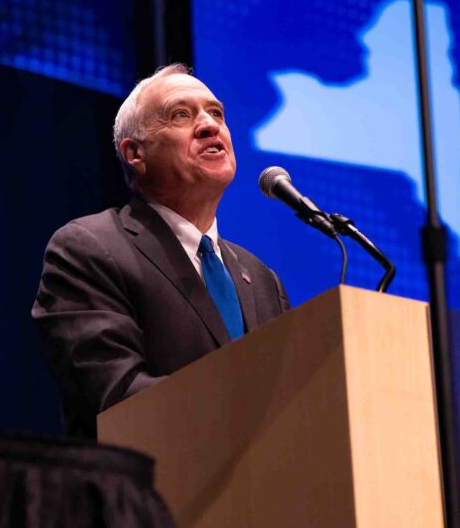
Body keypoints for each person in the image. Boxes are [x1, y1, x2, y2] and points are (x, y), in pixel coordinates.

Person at [33, 64, 290, 438]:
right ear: (135, 154)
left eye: (216, 113)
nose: (208, 125)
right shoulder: (90, 249)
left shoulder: (263, 280)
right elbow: (116, 397)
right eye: (180, 115)